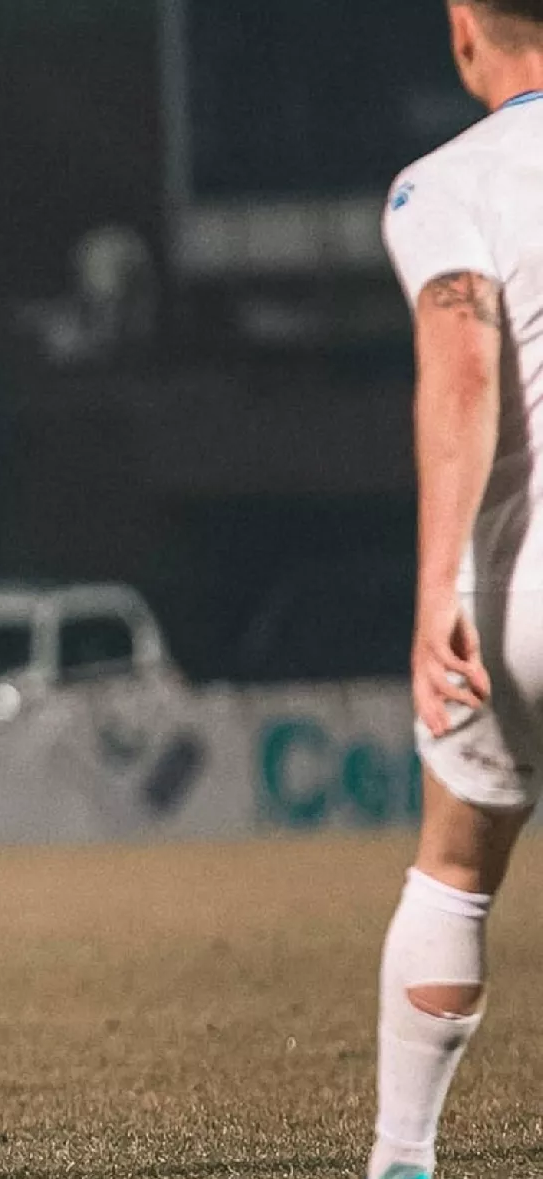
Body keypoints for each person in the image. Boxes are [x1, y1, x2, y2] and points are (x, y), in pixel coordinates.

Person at [370, 4, 543, 1177]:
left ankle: (404, 1158)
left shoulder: (447, 183)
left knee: (459, 865)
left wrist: (438, 588)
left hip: (522, 592)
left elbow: (466, 368)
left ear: (464, 26)